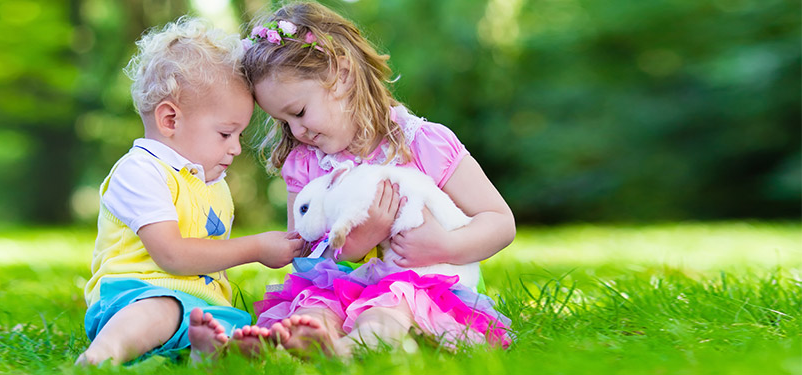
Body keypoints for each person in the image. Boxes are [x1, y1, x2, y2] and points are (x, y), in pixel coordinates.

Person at [230, 2, 515, 357]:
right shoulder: (304, 164)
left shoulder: (421, 143)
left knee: (388, 308)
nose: (297, 130)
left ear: (343, 75)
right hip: (341, 284)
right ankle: (307, 339)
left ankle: (354, 349)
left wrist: (446, 246)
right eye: (284, 122)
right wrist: (355, 245)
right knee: (313, 308)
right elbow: (302, 249)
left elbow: (500, 221)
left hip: (424, 282)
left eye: (299, 112)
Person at [75, 16, 304, 366]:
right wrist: (256, 247)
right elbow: (173, 255)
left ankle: (206, 350)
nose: (236, 148)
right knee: (161, 310)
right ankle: (102, 355)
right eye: (226, 133)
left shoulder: (210, 181)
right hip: (135, 295)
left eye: (239, 136)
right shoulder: (142, 171)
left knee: (232, 322)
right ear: (170, 120)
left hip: (201, 303)